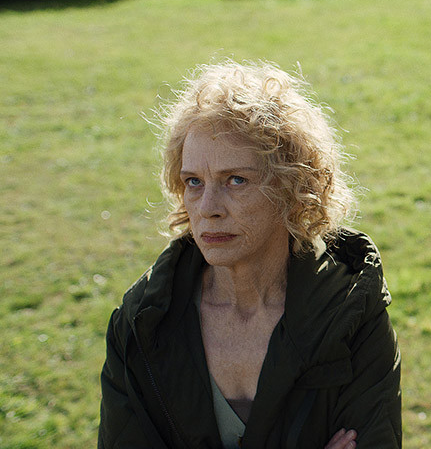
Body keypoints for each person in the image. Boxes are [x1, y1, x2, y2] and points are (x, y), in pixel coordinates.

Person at [99, 61, 401, 448]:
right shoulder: (141, 323)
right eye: (194, 182)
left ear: (292, 187)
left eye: (236, 180)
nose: (208, 208)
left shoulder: (351, 315)